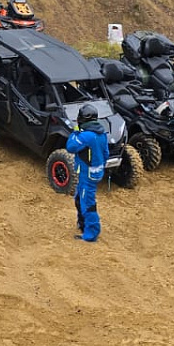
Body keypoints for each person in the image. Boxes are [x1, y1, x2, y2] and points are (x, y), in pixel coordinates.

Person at [65, 102, 109, 243]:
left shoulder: (87, 136)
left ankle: (90, 235)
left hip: (87, 176)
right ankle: (82, 224)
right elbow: (106, 153)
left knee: (87, 204)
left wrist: (76, 131)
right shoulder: (101, 134)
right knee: (79, 199)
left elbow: (70, 146)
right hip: (95, 173)